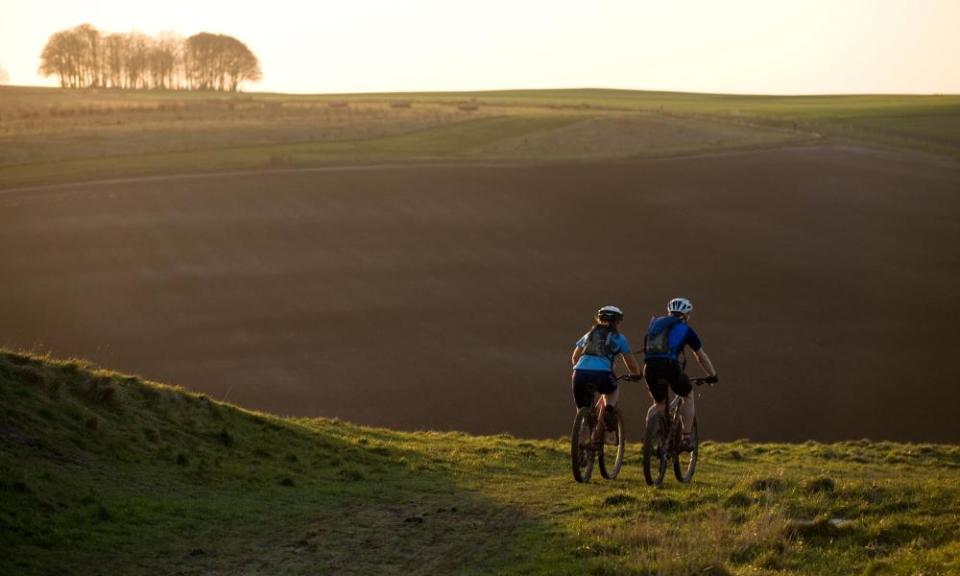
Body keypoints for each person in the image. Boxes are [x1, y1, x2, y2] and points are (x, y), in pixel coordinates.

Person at [643, 297, 719, 451]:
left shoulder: (656, 325)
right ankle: (686, 437)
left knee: (658, 404)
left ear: (669, 312)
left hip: (649, 366)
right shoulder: (686, 330)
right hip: (670, 366)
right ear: (687, 315)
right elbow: (701, 356)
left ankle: (648, 438)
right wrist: (712, 374)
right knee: (688, 394)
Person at [571, 306, 643, 426]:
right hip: (602, 375)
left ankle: (582, 441)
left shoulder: (589, 335)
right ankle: (609, 411)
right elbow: (631, 363)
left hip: (579, 374)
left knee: (582, 412)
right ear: (617, 321)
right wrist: (637, 373)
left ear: (599, 319)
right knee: (613, 389)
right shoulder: (619, 338)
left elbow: (575, 358)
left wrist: (584, 366)